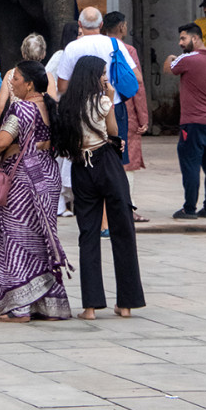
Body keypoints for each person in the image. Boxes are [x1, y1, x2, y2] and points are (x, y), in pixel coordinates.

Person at [0, 60, 71, 321]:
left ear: (29, 84)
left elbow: (2, 141)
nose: (11, 82)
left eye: (15, 78)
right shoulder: (50, 107)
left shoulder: (23, 108)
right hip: (47, 178)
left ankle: (19, 309)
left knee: (15, 240)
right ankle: (48, 306)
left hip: (23, 181)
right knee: (42, 240)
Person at [58, 55, 146, 320]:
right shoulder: (103, 101)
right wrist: (108, 97)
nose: (105, 77)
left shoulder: (68, 106)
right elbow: (113, 131)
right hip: (107, 163)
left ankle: (91, 307)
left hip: (81, 168)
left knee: (88, 235)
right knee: (123, 231)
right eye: (103, 73)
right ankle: (126, 304)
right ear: (95, 76)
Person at [166, 22, 206, 220]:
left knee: (190, 165)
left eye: (183, 38)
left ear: (195, 39)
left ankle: (189, 208)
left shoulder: (186, 59)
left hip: (192, 123)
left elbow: (168, 69)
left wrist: (170, 58)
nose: (180, 43)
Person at [56, 6, 137, 162]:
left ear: (80, 24)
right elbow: (135, 77)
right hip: (114, 105)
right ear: (101, 25)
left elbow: (62, 87)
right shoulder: (116, 44)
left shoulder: (72, 48)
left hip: (82, 108)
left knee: (83, 155)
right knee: (115, 154)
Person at [102, 12, 149, 223]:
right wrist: (143, 116)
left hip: (97, 109)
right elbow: (137, 85)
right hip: (123, 110)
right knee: (126, 161)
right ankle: (126, 208)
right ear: (122, 27)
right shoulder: (126, 49)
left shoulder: (91, 46)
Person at [45, 21, 81, 218]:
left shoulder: (78, 54)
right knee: (60, 158)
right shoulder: (60, 56)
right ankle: (59, 203)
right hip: (62, 113)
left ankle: (70, 201)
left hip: (74, 112)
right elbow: (47, 76)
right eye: (80, 33)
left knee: (70, 157)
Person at [0, 32, 58, 124]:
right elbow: (53, 105)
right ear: (43, 54)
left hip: (15, 124)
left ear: (23, 53)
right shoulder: (47, 77)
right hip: (38, 125)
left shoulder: (10, 74)